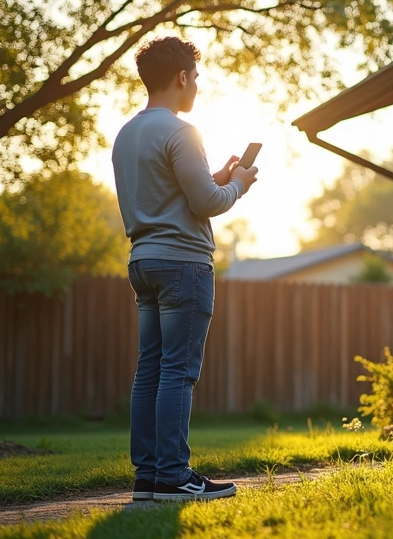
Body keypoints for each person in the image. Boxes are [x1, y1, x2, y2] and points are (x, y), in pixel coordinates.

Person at [112, 36, 257, 502]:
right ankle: (174, 476)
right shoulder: (182, 132)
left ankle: (149, 477)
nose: (197, 85)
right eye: (195, 77)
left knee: (149, 370)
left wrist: (218, 178)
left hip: (143, 262)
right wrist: (238, 184)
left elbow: (173, 195)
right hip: (183, 264)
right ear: (181, 77)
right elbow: (207, 203)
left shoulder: (127, 134)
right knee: (178, 370)